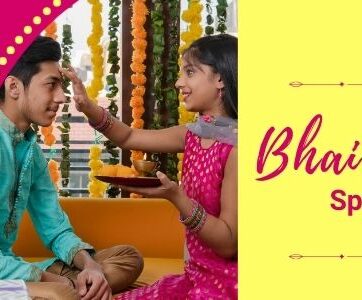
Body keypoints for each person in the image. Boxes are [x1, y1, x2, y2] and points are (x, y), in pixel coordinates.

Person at [64, 34, 238, 299]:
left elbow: (227, 244)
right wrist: (88, 107)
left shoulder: (239, 148)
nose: (179, 83)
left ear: (220, 79)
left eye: (190, 72)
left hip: (225, 285)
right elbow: (129, 137)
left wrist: (176, 196)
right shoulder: (192, 134)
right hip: (194, 278)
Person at [0, 36, 144, 300]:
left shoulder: (30, 150)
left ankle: (79, 290)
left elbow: (54, 227)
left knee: (127, 258)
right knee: (65, 292)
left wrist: (90, 267)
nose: (62, 96)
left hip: (14, 270)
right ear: (13, 87)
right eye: (51, 85)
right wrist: (50, 281)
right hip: (7, 276)